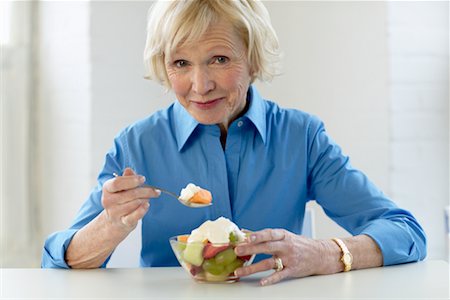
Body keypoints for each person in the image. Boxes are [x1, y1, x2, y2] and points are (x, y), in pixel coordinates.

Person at [42, 0, 426, 286]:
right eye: (180, 64)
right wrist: (109, 224)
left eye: (220, 59)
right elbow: (56, 263)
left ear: (254, 61)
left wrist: (324, 253)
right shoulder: (137, 145)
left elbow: (405, 232)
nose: (200, 85)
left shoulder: (301, 137)